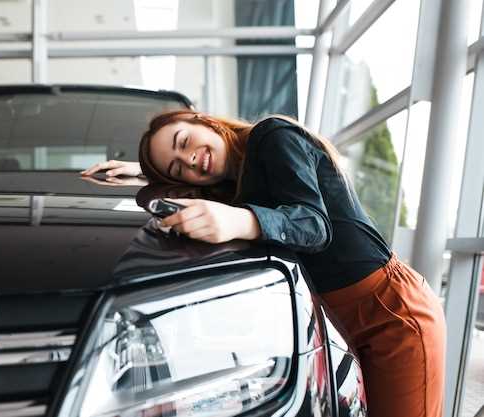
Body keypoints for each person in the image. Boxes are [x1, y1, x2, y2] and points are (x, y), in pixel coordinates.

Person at [81, 109, 446, 417]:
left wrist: (241, 221)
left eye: (184, 142)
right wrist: (145, 172)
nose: (190, 159)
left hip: (389, 312)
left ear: (203, 121)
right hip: (338, 320)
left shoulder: (272, 136)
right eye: (177, 168)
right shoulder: (237, 182)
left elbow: (313, 224)